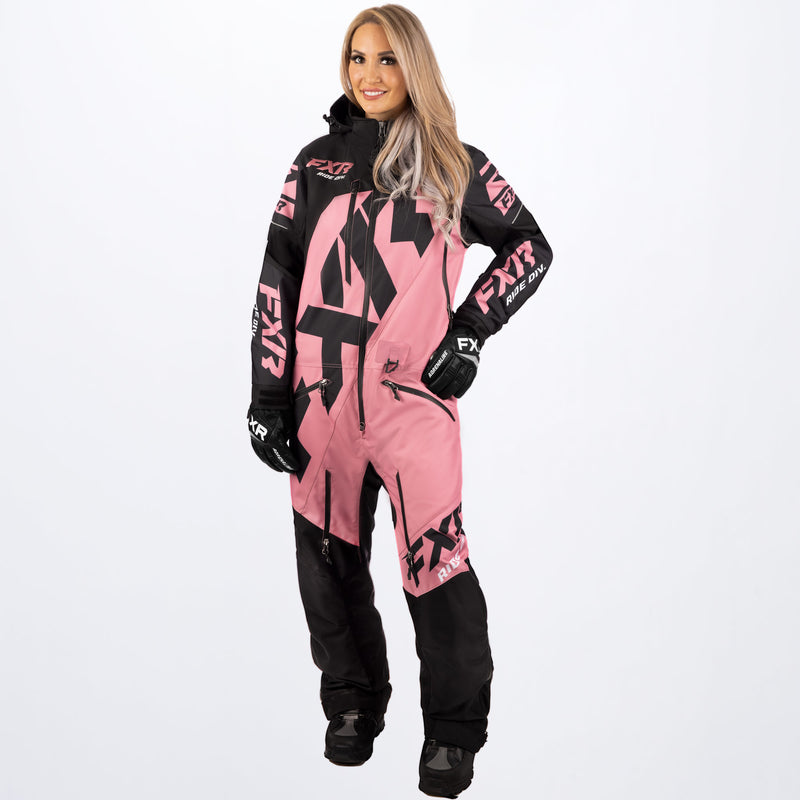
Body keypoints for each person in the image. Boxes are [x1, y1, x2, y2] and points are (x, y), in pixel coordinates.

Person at [248, 5, 552, 796]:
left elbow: (530, 246)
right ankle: (352, 704)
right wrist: (267, 396)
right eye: (358, 58)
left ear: (414, 66)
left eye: (387, 58)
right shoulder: (315, 165)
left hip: (413, 405)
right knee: (326, 565)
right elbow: (278, 278)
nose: (371, 74)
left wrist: (471, 331)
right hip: (320, 402)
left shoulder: (456, 164)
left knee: (437, 569)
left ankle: (453, 731)